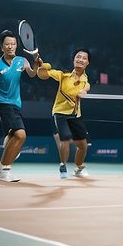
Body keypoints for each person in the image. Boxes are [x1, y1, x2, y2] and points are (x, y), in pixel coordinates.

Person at [0, 30, 39, 183]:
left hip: (16, 104)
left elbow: (32, 74)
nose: (10, 46)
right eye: (7, 44)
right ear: (2, 47)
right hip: (3, 102)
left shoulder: (22, 61)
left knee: (12, 136)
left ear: (16, 45)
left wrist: (36, 63)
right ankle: (5, 170)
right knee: (21, 135)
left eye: (13, 44)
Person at [37, 48, 92, 179]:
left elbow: (87, 85)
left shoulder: (85, 78)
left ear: (88, 63)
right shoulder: (63, 75)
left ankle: (78, 168)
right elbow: (43, 75)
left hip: (75, 115)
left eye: (84, 58)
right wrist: (41, 66)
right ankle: (63, 165)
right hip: (60, 113)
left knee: (83, 145)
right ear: (74, 60)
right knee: (65, 139)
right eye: (78, 57)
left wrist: (84, 90)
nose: (80, 60)